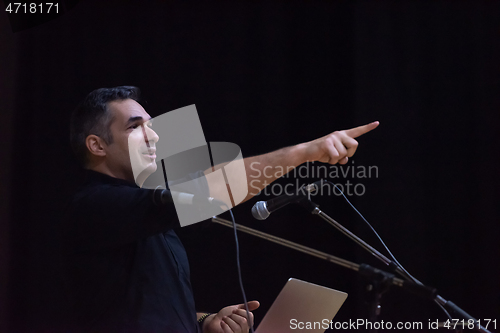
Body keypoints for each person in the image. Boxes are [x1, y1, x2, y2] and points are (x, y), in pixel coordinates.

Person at [64, 86, 378, 333]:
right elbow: (208, 190)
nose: (155, 135)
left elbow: (147, 307)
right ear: (97, 145)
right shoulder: (94, 205)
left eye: (152, 125)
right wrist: (304, 152)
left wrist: (205, 321)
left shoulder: (145, 215)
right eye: (136, 126)